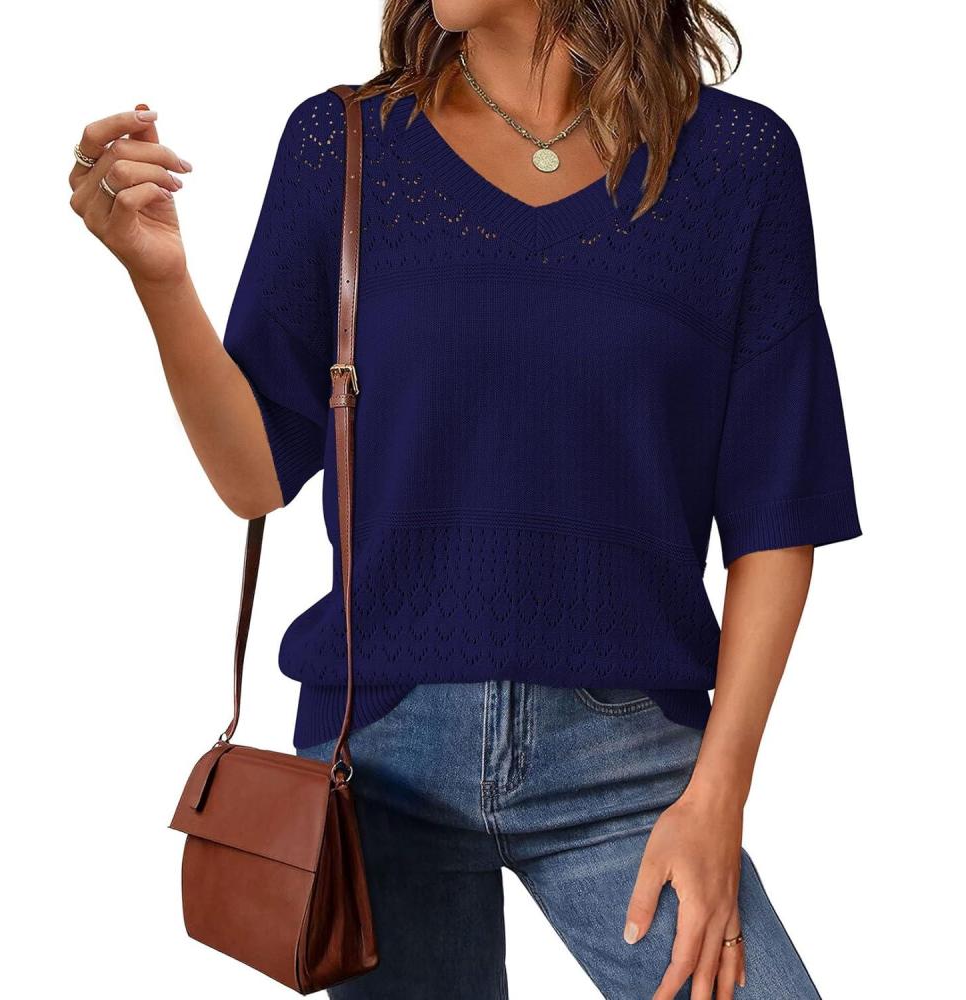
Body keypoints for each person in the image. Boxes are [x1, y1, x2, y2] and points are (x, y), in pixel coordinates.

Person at [68, 2, 860, 997]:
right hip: (378, 758)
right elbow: (253, 476)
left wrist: (718, 798)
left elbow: (776, 511)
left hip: (630, 755)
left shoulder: (736, 163)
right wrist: (161, 280)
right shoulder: (345, 145)